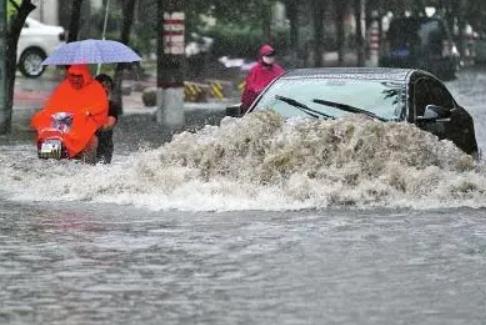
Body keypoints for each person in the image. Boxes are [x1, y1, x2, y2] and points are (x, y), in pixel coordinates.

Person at [31, 64, 108, 163]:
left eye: (79, 76)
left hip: (84, 126)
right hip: (62, 125)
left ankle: (86, 170)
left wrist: (86, 113)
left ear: (85, 75)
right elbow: (52, 107)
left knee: (91, 140)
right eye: (73, 75)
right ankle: (50, 164)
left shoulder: (96, 88)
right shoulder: (64, 86)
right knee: (47, 128)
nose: (75, 79)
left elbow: (101, 107)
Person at [241, 44, 285, 113]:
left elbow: (284, 86)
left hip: (277, 106)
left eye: (272, 55)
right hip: (256, 108)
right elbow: (250, 90)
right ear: (262, 56)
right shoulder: (255, 70)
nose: (270, 57)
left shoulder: (278, 70)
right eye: (267, 55)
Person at [95, 74, 120, 164]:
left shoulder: (112, 106)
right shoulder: (85, 105)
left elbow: (109, 125)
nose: (105, 89)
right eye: (102, 86)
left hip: (104, 147)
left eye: (108, 87)